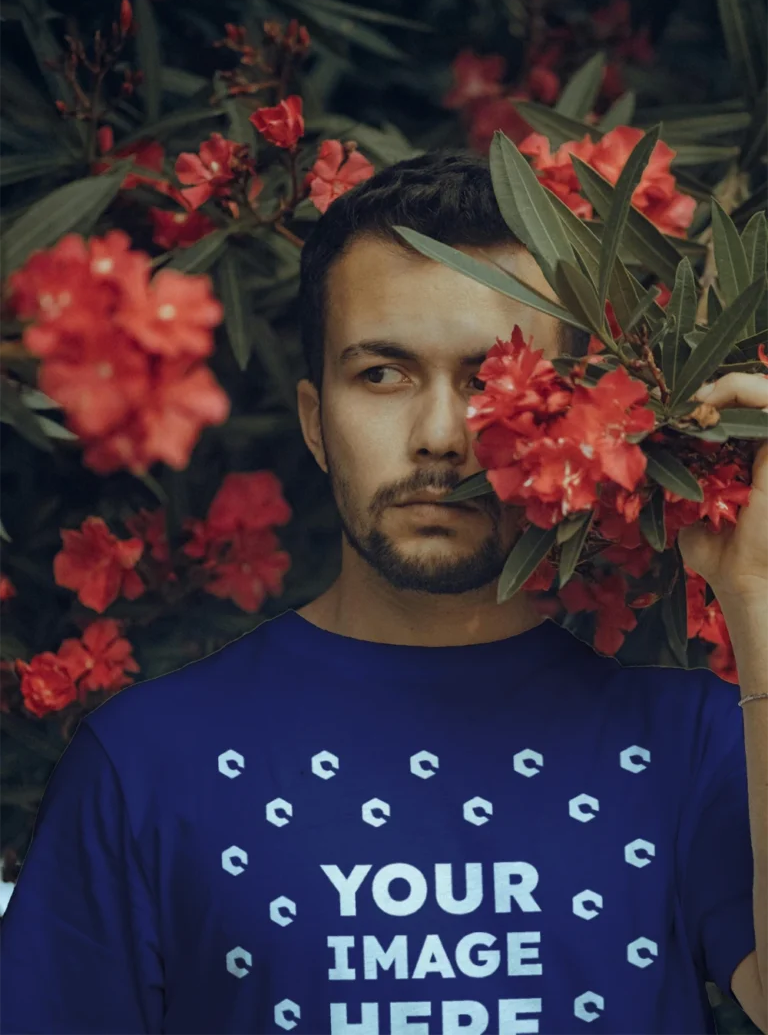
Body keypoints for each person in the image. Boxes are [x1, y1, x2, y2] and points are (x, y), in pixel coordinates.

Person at [0, 150, 757, 1035]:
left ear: (578, 417)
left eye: (490, 380)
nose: (440, 437)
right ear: (316, 425)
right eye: (383, 375)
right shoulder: (146, 764)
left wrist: (761, 594)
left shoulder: (693, 746)